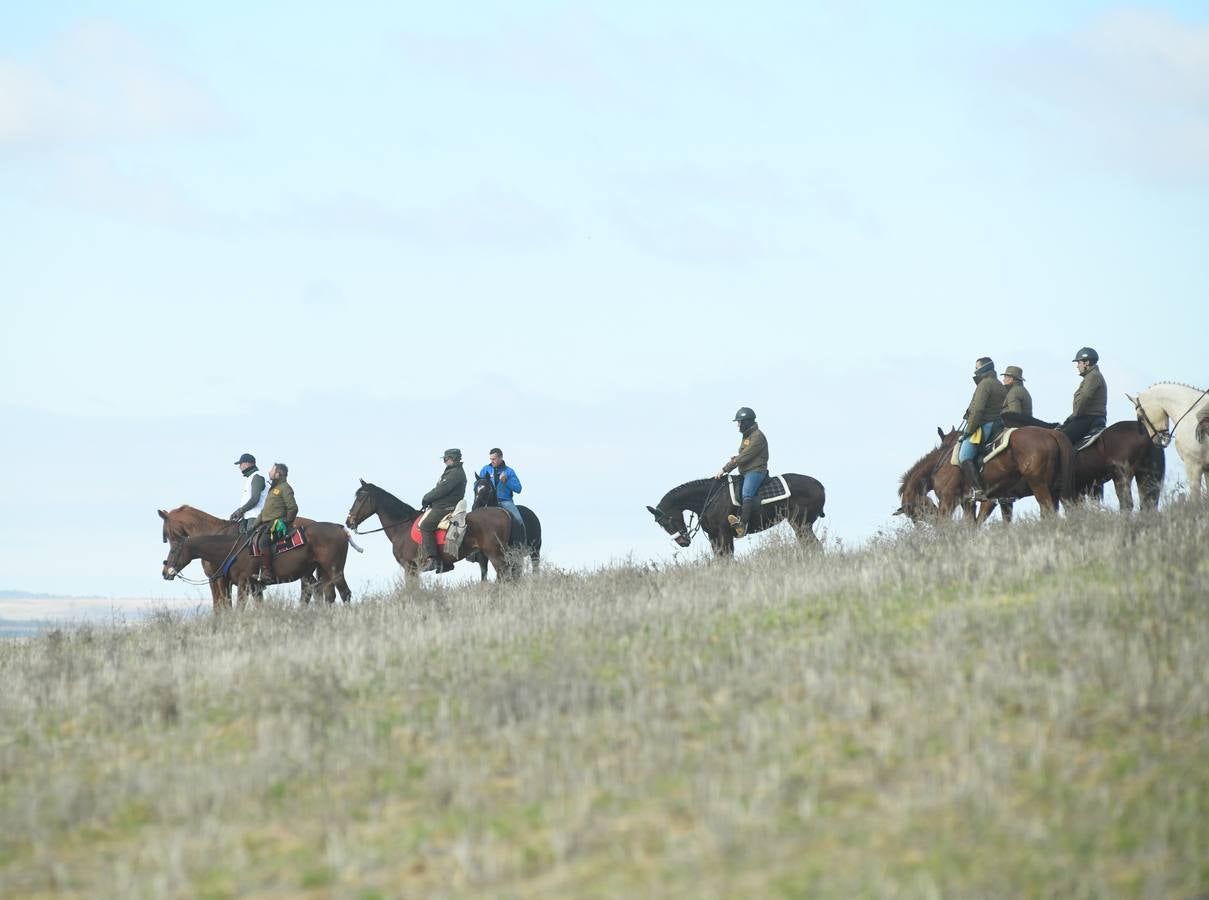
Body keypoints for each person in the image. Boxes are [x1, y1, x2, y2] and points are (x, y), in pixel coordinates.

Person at [714, 407, 768, 538]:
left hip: (755, 471)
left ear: (746, 422)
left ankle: (742, 525)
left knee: (747, 493)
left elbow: (744, 457)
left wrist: (725, 469)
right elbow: (743, 454)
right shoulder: (748, 436)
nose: (738, 425)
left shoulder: (758, 437)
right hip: (745, 471)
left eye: (739, 422)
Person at [959, 357, 1007, 500]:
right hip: (997, 424)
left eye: (976, 367)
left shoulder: (984, 384)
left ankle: (978, 490)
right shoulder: (999, 384)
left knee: (964, 456)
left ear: (983, 369)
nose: (975, 370)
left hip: (983, 425)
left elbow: (978, 410)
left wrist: (969, 430)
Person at [418, 449, 467, 572]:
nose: (444, 462)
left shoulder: (455, 473)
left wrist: (426, 498)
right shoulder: (452, 471)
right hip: (443, 504)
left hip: (445, 507)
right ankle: (445, 561)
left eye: (446, 459)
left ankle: (433, 559)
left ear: (452, 458)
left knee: (425, 526)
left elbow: (441, 490)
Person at [252, 462, 298, 582]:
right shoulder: (273, 489)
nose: (269, 472)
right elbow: (264, 512)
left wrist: (286, 523)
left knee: (263, 542)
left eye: (272, 470)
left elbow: (293, 508)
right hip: (267, 524)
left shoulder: (285, 488)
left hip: (278, 524)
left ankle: (267, 573)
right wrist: (254, 525)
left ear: (278, 474)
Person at [1059, 347, 1107, 446]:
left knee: (1061, 440)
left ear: (1086, 363)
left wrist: (1075, 416)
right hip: (1090, 417)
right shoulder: (1092, 376)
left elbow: (1084, 398)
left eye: (1078, 362)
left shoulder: (1093, 376)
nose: (1077, 366)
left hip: (1089, 418)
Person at [478, 447, 526, 546]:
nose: (492, 461)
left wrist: (506, 481)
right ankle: (475, 553)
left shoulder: (509, 471)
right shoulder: (485, 469)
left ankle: (519, 545)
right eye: (491, 459)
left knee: (518, 519)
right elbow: (478, 484)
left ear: (500, 458)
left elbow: (518, 488)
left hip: (505, 501)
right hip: (489, 502)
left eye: (494, 459)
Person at [229, 453, 268, 533]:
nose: (239, 467)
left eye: (240, 464)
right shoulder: (250, 478)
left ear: (247, 464)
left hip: (256, 516)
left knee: (249, 543)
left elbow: (254, 499)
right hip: (248, 516)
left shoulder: (257, 477)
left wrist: (240, 510)